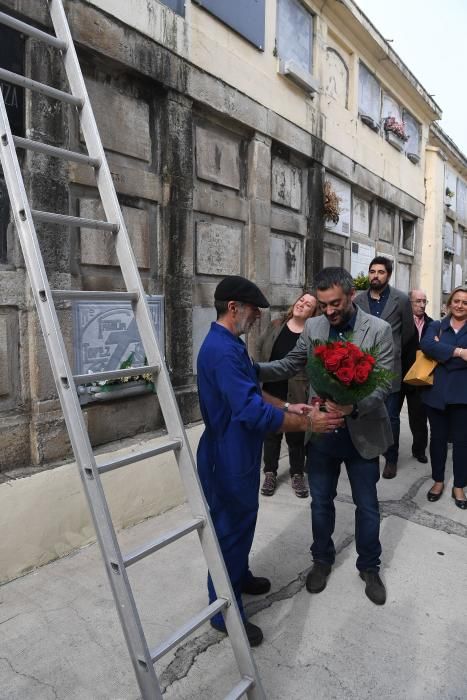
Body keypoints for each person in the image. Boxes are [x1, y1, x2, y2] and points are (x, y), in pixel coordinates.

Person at [197, 275, 343, 646]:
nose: (259, 316)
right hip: (225, 452)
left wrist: (289, 405)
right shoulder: (221, 350)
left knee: (244, 520)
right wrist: (309, 420)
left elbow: (256, 392)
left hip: (241, 451)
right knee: (228, 529)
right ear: (234, 308)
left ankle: (240, 575)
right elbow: (251, 412)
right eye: (254, 310)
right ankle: (223, 609)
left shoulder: (233, 345)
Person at [258, 268, 394, 605]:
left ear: (350, 295)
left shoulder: (378, 329)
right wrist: (251, 368)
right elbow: (290, 364)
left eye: (335, 303)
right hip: (322, 434)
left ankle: (369, 566)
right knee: (321, 502)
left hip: (362, 432)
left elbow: (383, 382)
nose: (329, 311)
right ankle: (321, 559)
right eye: (323, 304)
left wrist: (352, 407)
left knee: (367, 505)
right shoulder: (315, 326)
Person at [355, 256, 415, 479]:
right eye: (372, 271)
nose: (375, 276)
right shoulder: (359, 300)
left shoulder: (400, 299)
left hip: (390, 368)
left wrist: (396, 350)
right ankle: (366, 451)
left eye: (380, 272)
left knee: (390, 417)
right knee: (363, 412)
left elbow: (409, 333)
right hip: (362, 369)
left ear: (388, 275)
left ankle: (391, 458)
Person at [256, 292, 318, 498]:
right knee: (271, 434)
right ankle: (270, 472)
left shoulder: (311, 334)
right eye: (301, 300)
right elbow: (260, 350)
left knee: (296, 436)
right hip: (272, 388)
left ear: (313, 312)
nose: (302, 304)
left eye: (308, 304)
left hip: (297, 391)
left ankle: (297, 473)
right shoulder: (276, 325)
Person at [420, 286, 467, 508]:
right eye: (456, 301)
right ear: (449, 304)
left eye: (465, 302)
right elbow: (426, 345)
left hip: (463, 396)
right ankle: (438, 481)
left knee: (462, 443)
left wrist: (442, 351)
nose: (460, 305)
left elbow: (435, 350)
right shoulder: (436, 325)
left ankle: (459, 485)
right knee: (437, 440)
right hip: (436, 394)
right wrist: (459, 352)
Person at [400, 289, 433, 463]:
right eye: (417, 301)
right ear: (409, 303)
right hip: (398, 375)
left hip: (420, 377)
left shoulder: (432, 324)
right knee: (392, 417)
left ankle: (419, 450)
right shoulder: (400, 322)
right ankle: (391, 455)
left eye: (424, 301)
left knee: (419, 416)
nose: (421, 305)